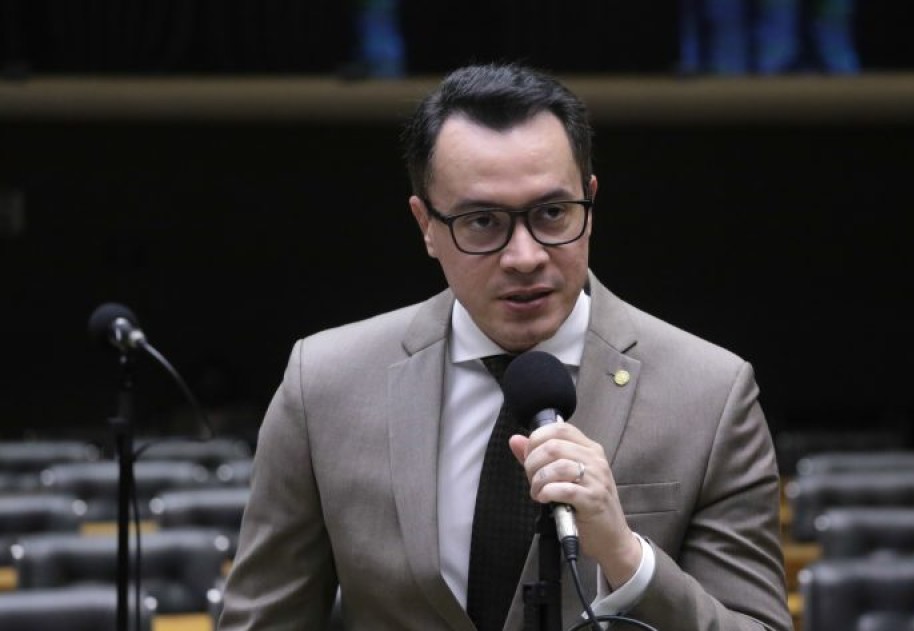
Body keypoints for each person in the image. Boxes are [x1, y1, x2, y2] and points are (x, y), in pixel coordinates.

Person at [218, 63, 791, 631]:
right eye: (482, 221)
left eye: (552, 213)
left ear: (591, 204)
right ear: (426, 225)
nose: (524, 257)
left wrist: (627, 558)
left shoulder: (710, 395)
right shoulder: (324, 384)